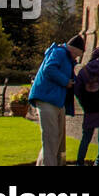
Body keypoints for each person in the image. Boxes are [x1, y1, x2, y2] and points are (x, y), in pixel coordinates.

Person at [28, 34, 84, 166]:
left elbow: (70, 79)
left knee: (56, 139)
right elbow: (49, 68)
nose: (77, 57)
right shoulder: (59, 52)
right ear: (74, 50)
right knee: (51, 138)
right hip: (47, 99)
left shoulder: (67, 58)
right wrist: (65, 82)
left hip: (57, 101)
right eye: (78, 54)